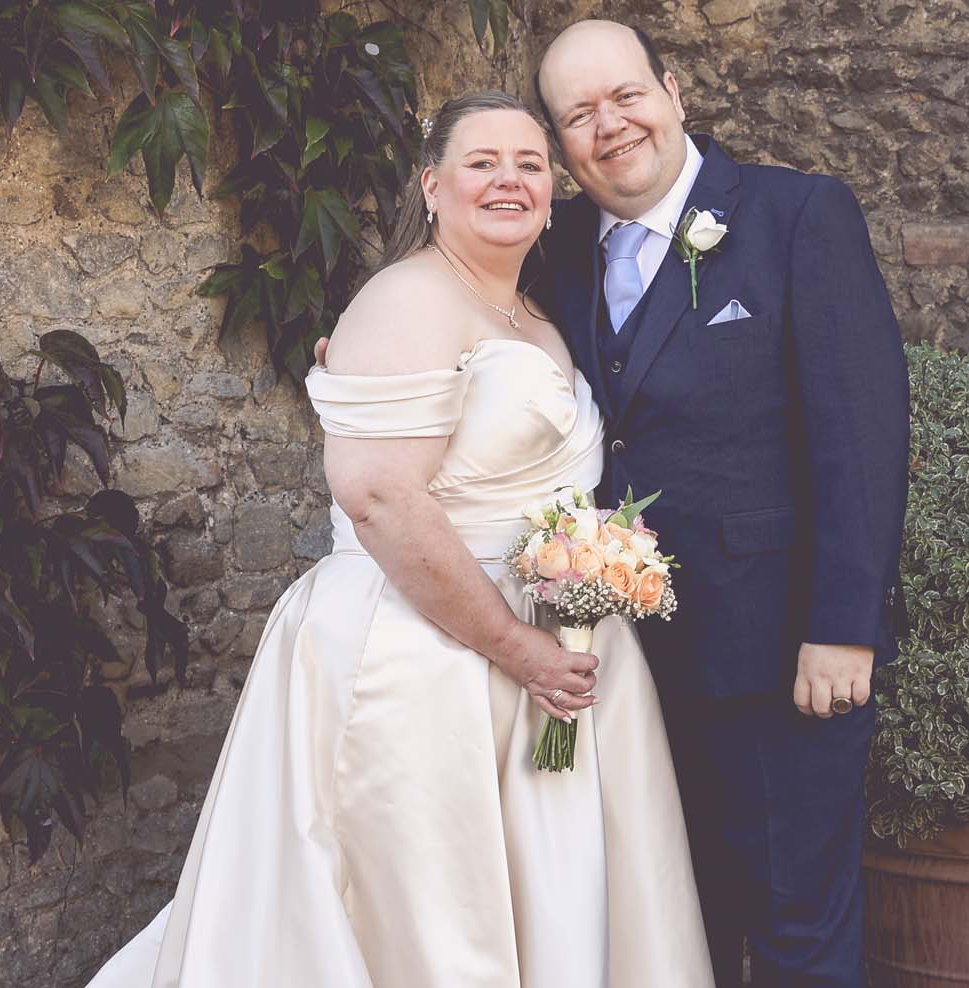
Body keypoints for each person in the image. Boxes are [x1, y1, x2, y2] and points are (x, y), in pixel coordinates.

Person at [85, 90, 713, 988]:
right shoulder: (406, 298)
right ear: (431, 185)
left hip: (548, 655)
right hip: (424, 653)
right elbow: (377, 495)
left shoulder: (531, 314)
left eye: (530, 164)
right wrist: (517, 646)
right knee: (421, 915)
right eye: (481, 163)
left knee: (546, 898)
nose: (509, 180)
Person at [535, 20, 910, 988]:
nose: (609, 126)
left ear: (674, 88)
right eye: (579, 115)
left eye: (625, 96)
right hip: (627, 670)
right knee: (671, 934)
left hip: (779, 661)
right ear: (562, 146)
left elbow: (860, 433)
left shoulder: (798, 216)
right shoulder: (555, 251)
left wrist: (844, 628)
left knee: (797, 937)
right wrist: (364, 354)